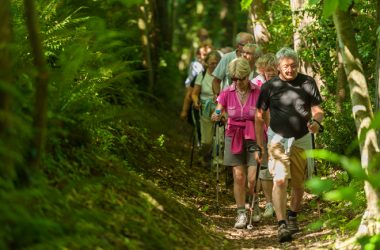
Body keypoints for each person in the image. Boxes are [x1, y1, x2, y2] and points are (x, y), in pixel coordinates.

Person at [255, 47, 324, 242]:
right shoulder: (269, 86)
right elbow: (259, 116)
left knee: (298, 183)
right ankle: (282, 224)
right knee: (279, 180)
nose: (290, 69)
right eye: (286, 66)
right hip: (277, 138)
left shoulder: (307, 82)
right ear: (278, 67)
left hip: (302, 138)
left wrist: (316, 122)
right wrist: (260, 144)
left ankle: (293, 215)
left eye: (294, 66)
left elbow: (317, 110)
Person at [211, 58, 262, 229]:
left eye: (241, 78)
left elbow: (266, 114)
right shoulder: (226, 92)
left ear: (248, 75)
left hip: (254, 135)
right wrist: (216, 114)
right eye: (234, 78)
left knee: (252, 179)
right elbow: (219, 108)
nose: (238, 82)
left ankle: (255, 203)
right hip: (233, 136)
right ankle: (241, 212)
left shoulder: (258, 92)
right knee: (239, 177)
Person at [250, 53, 278, 219]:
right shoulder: (256, 84)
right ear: (261, 69)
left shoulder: (280, 83)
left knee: (273, 169)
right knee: (262, 167)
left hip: (277, 131)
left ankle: (272, 203)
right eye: (267, 69)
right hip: (260, 131)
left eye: (273, 68)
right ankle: (261, 203)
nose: (271, 72)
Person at [192, 51, 222, 167]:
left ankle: (217, 163)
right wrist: (195, 101)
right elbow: (194, 93)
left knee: (220, 138)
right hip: (205, 108)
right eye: (212, 63)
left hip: (219, 108)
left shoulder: (222, 76)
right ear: (207, 63)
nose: (214, 65)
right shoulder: (202, 75)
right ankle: (201, 154)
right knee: (206, 141)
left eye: (216, 63)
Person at [211, 32, 255, 96]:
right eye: (245, 45)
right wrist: (217, 96)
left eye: (251, 45)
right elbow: (216, 81)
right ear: (237, 45)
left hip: (250, 101)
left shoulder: (256, 60)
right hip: (228, 100)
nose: (249, 47)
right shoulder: (227, 58)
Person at [180, 42, 212, 120]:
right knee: (190, 94)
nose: (207, 57)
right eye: (204, 54)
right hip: (195, 87)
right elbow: (191, 81)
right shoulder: (195, 65)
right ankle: (185, 111)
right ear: (199, 55)